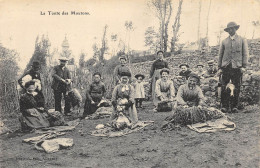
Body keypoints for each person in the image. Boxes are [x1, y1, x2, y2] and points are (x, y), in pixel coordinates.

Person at [218, 22, 248, 113]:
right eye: (229, 29)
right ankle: (225, 106)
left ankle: (235, 106)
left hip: (237, 67)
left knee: (237, 86)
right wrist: (219, 67)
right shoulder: (224, 41)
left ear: (235, 29)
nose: (230, 30)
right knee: (224, 87)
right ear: (227, 31)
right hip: (226, 67)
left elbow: (245, 54)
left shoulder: (242, 40)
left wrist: (244, 66)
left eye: (232, 28)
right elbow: (220, 55)